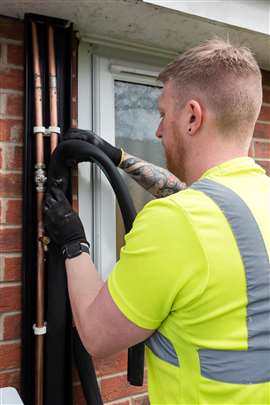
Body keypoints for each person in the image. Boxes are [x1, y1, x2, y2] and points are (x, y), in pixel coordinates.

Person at [44, 39, 270, 404]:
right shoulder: (255, 200)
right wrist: (117, 156)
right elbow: (195, 198)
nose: (158, 131)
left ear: (193, 117)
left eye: (164, 114)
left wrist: (73, 243)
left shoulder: (175, 222)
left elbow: (98, 336)